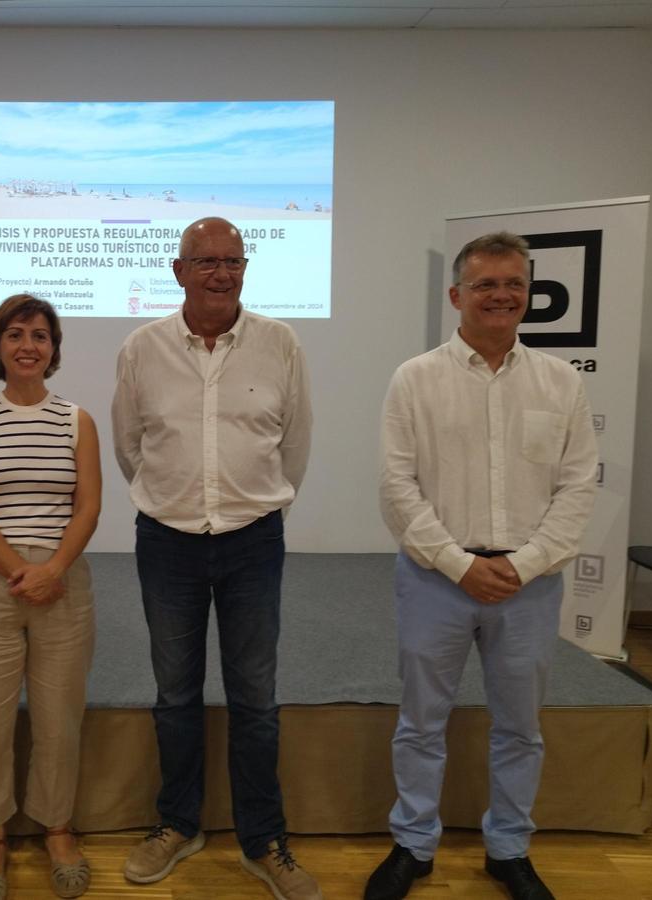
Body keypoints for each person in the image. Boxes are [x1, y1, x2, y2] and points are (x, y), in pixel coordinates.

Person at [366, 232, 597, 900]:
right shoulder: (416, 378)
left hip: (529, 588)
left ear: (530, 294)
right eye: (486, 284)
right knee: (420, 723)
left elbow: (579, 487)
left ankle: (509, 849)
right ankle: (413, 844)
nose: (501, 295)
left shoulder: (559, 383)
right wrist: (457, 563)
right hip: (435, 580)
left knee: (521, 728)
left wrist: (522, 566)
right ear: (456, 295)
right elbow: (396, 487)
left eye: (514, 284)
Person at [111, 217, 317, 900]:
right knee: (175, 695)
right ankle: (178, 824)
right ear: (178, 271)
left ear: (245, 268)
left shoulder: (280, 344)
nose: (220, 273)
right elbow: (130, 444)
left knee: (255, 698)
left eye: (232, 260)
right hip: (167, 541)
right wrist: (174, 501)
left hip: (253, 541)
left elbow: (294, 444)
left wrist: (256, 508)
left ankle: (265, 840)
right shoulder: (141, 348)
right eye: (205, 261)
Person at [0, 294, 101, 900]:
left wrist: (52, 568)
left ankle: (56, 828)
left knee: (59, 719)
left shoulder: (77, 420)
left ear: (54, 350)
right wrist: (20, 570)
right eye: (15, 334)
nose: (28, 345)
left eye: (40, 335)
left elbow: (88, 506)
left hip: (63, 582)